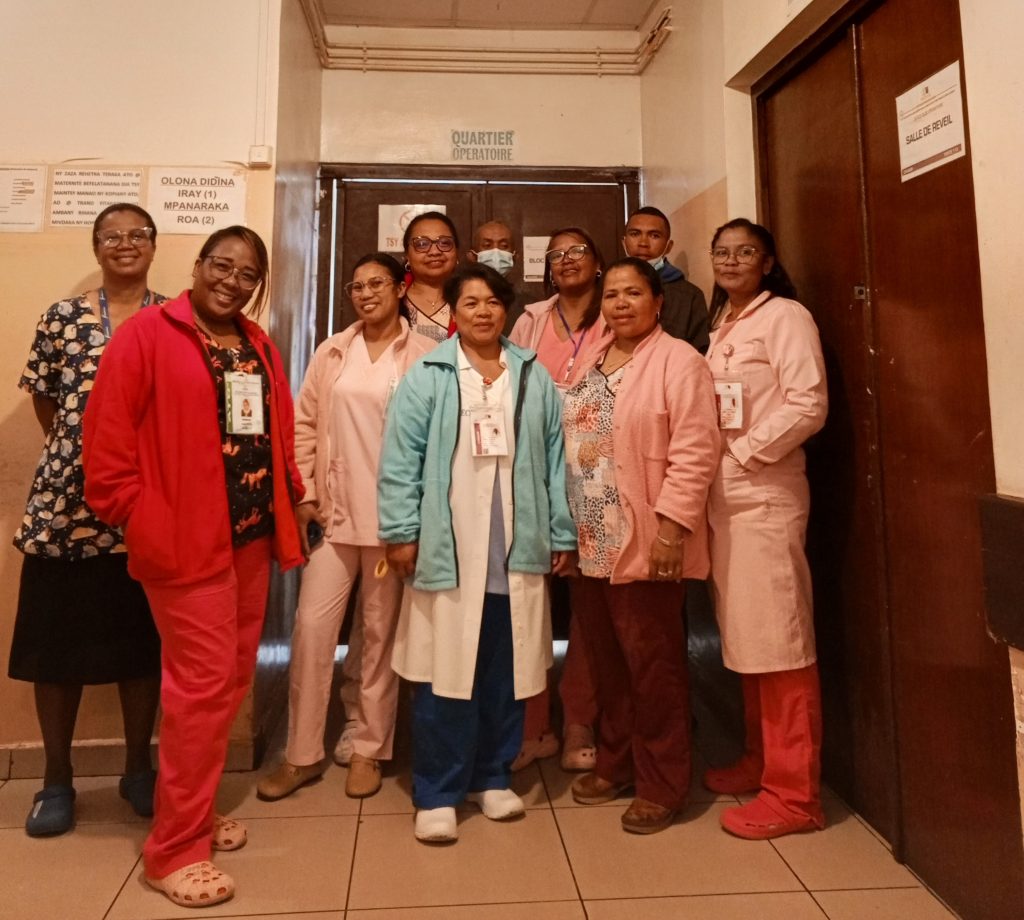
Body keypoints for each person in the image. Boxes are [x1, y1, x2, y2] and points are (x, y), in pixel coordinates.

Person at [82, 226, 304, 908]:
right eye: (222, 265)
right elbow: (107, 443)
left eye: (247, 274)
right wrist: (139, 514)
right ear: (199, 266)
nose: (232, 281)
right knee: (201, 687)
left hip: (247, 539)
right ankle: (172, 851)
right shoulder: (148, 334)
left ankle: (194, 814)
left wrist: (291, 497)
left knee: (227, 681)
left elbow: (276, 428)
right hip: (183, 544)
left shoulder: (255, 342)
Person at [378, 263, 577, 843]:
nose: (483, 312)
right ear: (454, 313)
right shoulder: (430, 373)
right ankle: (438, 790)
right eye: (470, 303)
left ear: (507, 311)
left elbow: (556, 459)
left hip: (514, 550)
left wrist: (560, 533)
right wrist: (402, 530)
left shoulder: (532, 375)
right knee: (444, 674)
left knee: (504, 671)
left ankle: (490, 777)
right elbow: (399, 461)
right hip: (449, 549)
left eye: (493, 302)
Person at [256, 253, 436, 803]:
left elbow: (436, 438)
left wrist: (421, 516)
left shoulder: (426, 354)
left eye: (376, 283)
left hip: (394, 522)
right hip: (335, 518)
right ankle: (302, 753)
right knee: (313, 630)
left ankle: (368, 747)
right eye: (356, 286)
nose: (365, 293)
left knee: (379, 637)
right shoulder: (333, 351)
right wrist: (305, 495)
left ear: (400, 287)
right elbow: (302, 425)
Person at [8, 204, 164, 838]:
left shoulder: (172, 319)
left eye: (137, 235)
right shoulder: (62, 317)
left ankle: (137, 769)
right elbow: (46, 397)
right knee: (55, 651)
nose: (124, 244)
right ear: (96, 246)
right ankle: (56, 779)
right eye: (111, 236)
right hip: (63, 509)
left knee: (139, 648)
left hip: (142, 507)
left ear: (153, 245)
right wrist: (83, 454)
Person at [562, 257, 719, 834]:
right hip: (590, 539)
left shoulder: (680, 361)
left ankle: (663, 783)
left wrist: (673, 527)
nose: (620, 303)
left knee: (653, 667)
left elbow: (697, 448)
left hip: (647, 539)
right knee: (609, 664)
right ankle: (618, 762)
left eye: (633, 293)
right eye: (611, 295)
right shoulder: (595, 358)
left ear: (658, 302)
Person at [701, 218, 828, 840]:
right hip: (725, 501)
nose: (730, 261)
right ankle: (759, 761)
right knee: (749, 638)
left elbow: (808, 403)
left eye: (744, 251)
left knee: (780, 645)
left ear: (768, 260)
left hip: (765, 494)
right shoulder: (721, 323)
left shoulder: (786, 319)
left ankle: (796, 793)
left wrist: (745, 453)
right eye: (721, 252)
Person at [508, 226, 605, 773]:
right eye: (556, 255)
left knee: (589, 611)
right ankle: (532, 725)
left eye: (577, 252)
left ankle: (578, 722)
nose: (566, 261)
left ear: (596, 261)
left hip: (597, 476)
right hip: (538, 475)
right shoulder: (532, 319)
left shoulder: (613, 312)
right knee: (530, 603)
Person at [623, 206, 709, 353]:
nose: (643, 243)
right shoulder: (606, 290)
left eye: (654, 236)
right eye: (635, 234)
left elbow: (699, 353)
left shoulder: (690, 296)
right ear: (624, 242)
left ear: (668, 246)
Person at [401, 210, 460, 343]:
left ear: (457, 253)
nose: (434, 251)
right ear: (407, 256)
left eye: (445, 243)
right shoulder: (392, 297)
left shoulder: (471, 297)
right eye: (422, 244)